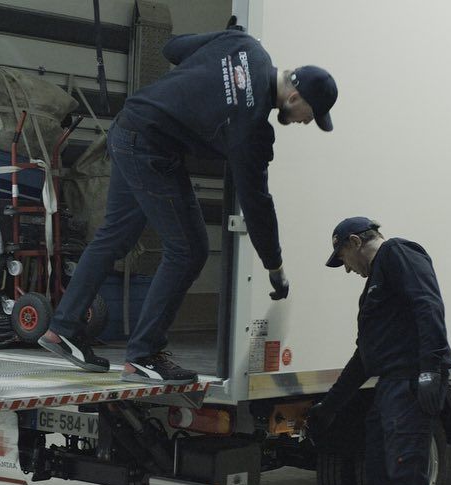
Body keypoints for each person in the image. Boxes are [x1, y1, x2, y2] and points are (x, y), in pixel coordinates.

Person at [39, 19, 338, 384]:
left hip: (128, 127)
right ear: (294, 97)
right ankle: (144, 355)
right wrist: (275, 266)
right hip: (150, 149)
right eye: (311, 116)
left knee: (115, 235)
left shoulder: (245, 46)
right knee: (189, 249)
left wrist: (214, 63)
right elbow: (257, 203)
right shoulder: (253, 129)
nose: (308, 123)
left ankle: (63, 328)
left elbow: (173, 49)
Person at [305, 217, 451, 485]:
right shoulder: (376, 283)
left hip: (408, 385)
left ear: (355, 241)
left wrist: (429, 369)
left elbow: (428, 305)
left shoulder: (398, 253)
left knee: (403, 480)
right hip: (389, 387)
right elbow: (366, 356)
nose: (348, 270)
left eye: (345, 259)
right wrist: (329, 406)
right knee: (378, 471)